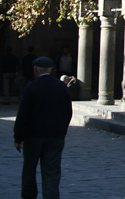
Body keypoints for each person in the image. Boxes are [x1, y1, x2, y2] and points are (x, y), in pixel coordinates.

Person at [14, 56, 73, 199]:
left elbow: (23, 114)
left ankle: (28, 196)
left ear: (35, 69)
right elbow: (68, 111)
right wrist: (61, 131)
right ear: (52, 70)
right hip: (55, 136)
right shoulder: (61, 87)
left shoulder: (31, 87)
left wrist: (18, 137)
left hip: (33, 136)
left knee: (29, 169)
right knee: (51, 171)